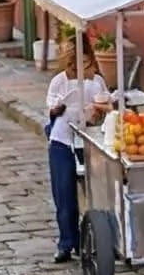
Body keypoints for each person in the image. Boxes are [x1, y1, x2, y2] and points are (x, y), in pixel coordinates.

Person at [45, 35, 109, 263]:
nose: (77, 67)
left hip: (89, 138)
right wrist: (58, 108)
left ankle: (96, 238)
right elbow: (50, 108)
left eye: (83, 62)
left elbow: (104, 106)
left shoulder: (97, 82)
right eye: (72, 62)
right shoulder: (58, 82)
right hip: (62, 139)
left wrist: (98, 111)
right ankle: (67, 241)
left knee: (97, 191)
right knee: (64, 193)